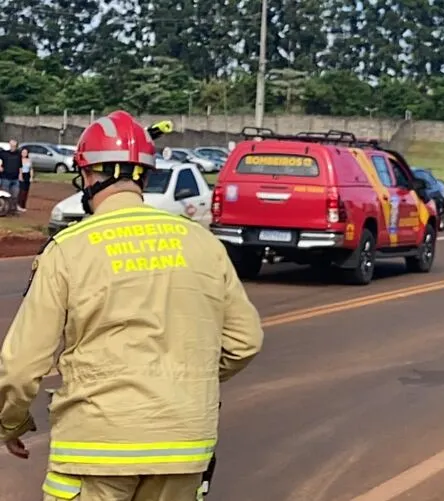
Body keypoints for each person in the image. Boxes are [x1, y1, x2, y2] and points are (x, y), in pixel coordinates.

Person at [0, 111, 264, 501]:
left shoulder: (69, 249)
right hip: (183, 446)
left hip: (94, 448)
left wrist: (12, 422)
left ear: (87, 175)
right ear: (144, 174)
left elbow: (20, 367)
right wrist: (180, 381)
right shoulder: (202, 243)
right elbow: (245, 341)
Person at [0, 138, 22, 209]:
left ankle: (13, 208)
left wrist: (20, 174)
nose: (12, 147)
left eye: (14, 146)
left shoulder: (18, 154)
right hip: (5, 178)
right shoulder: (4, 153)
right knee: (5, 195)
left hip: (15, 178)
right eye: (11, 145)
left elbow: (20, 165)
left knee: (15, 195)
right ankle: (5, 209)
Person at [17, 147, 32, 212]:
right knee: (21, 191)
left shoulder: (29, 160)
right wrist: (20, 176)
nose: (24, 154)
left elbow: (31, 169)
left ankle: (23, 205)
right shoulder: (19, 160)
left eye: (26, 152)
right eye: (23, 152)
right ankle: (18, 205)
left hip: (27, 175)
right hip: (21, 175)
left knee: (26, 191)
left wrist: (31, 177)